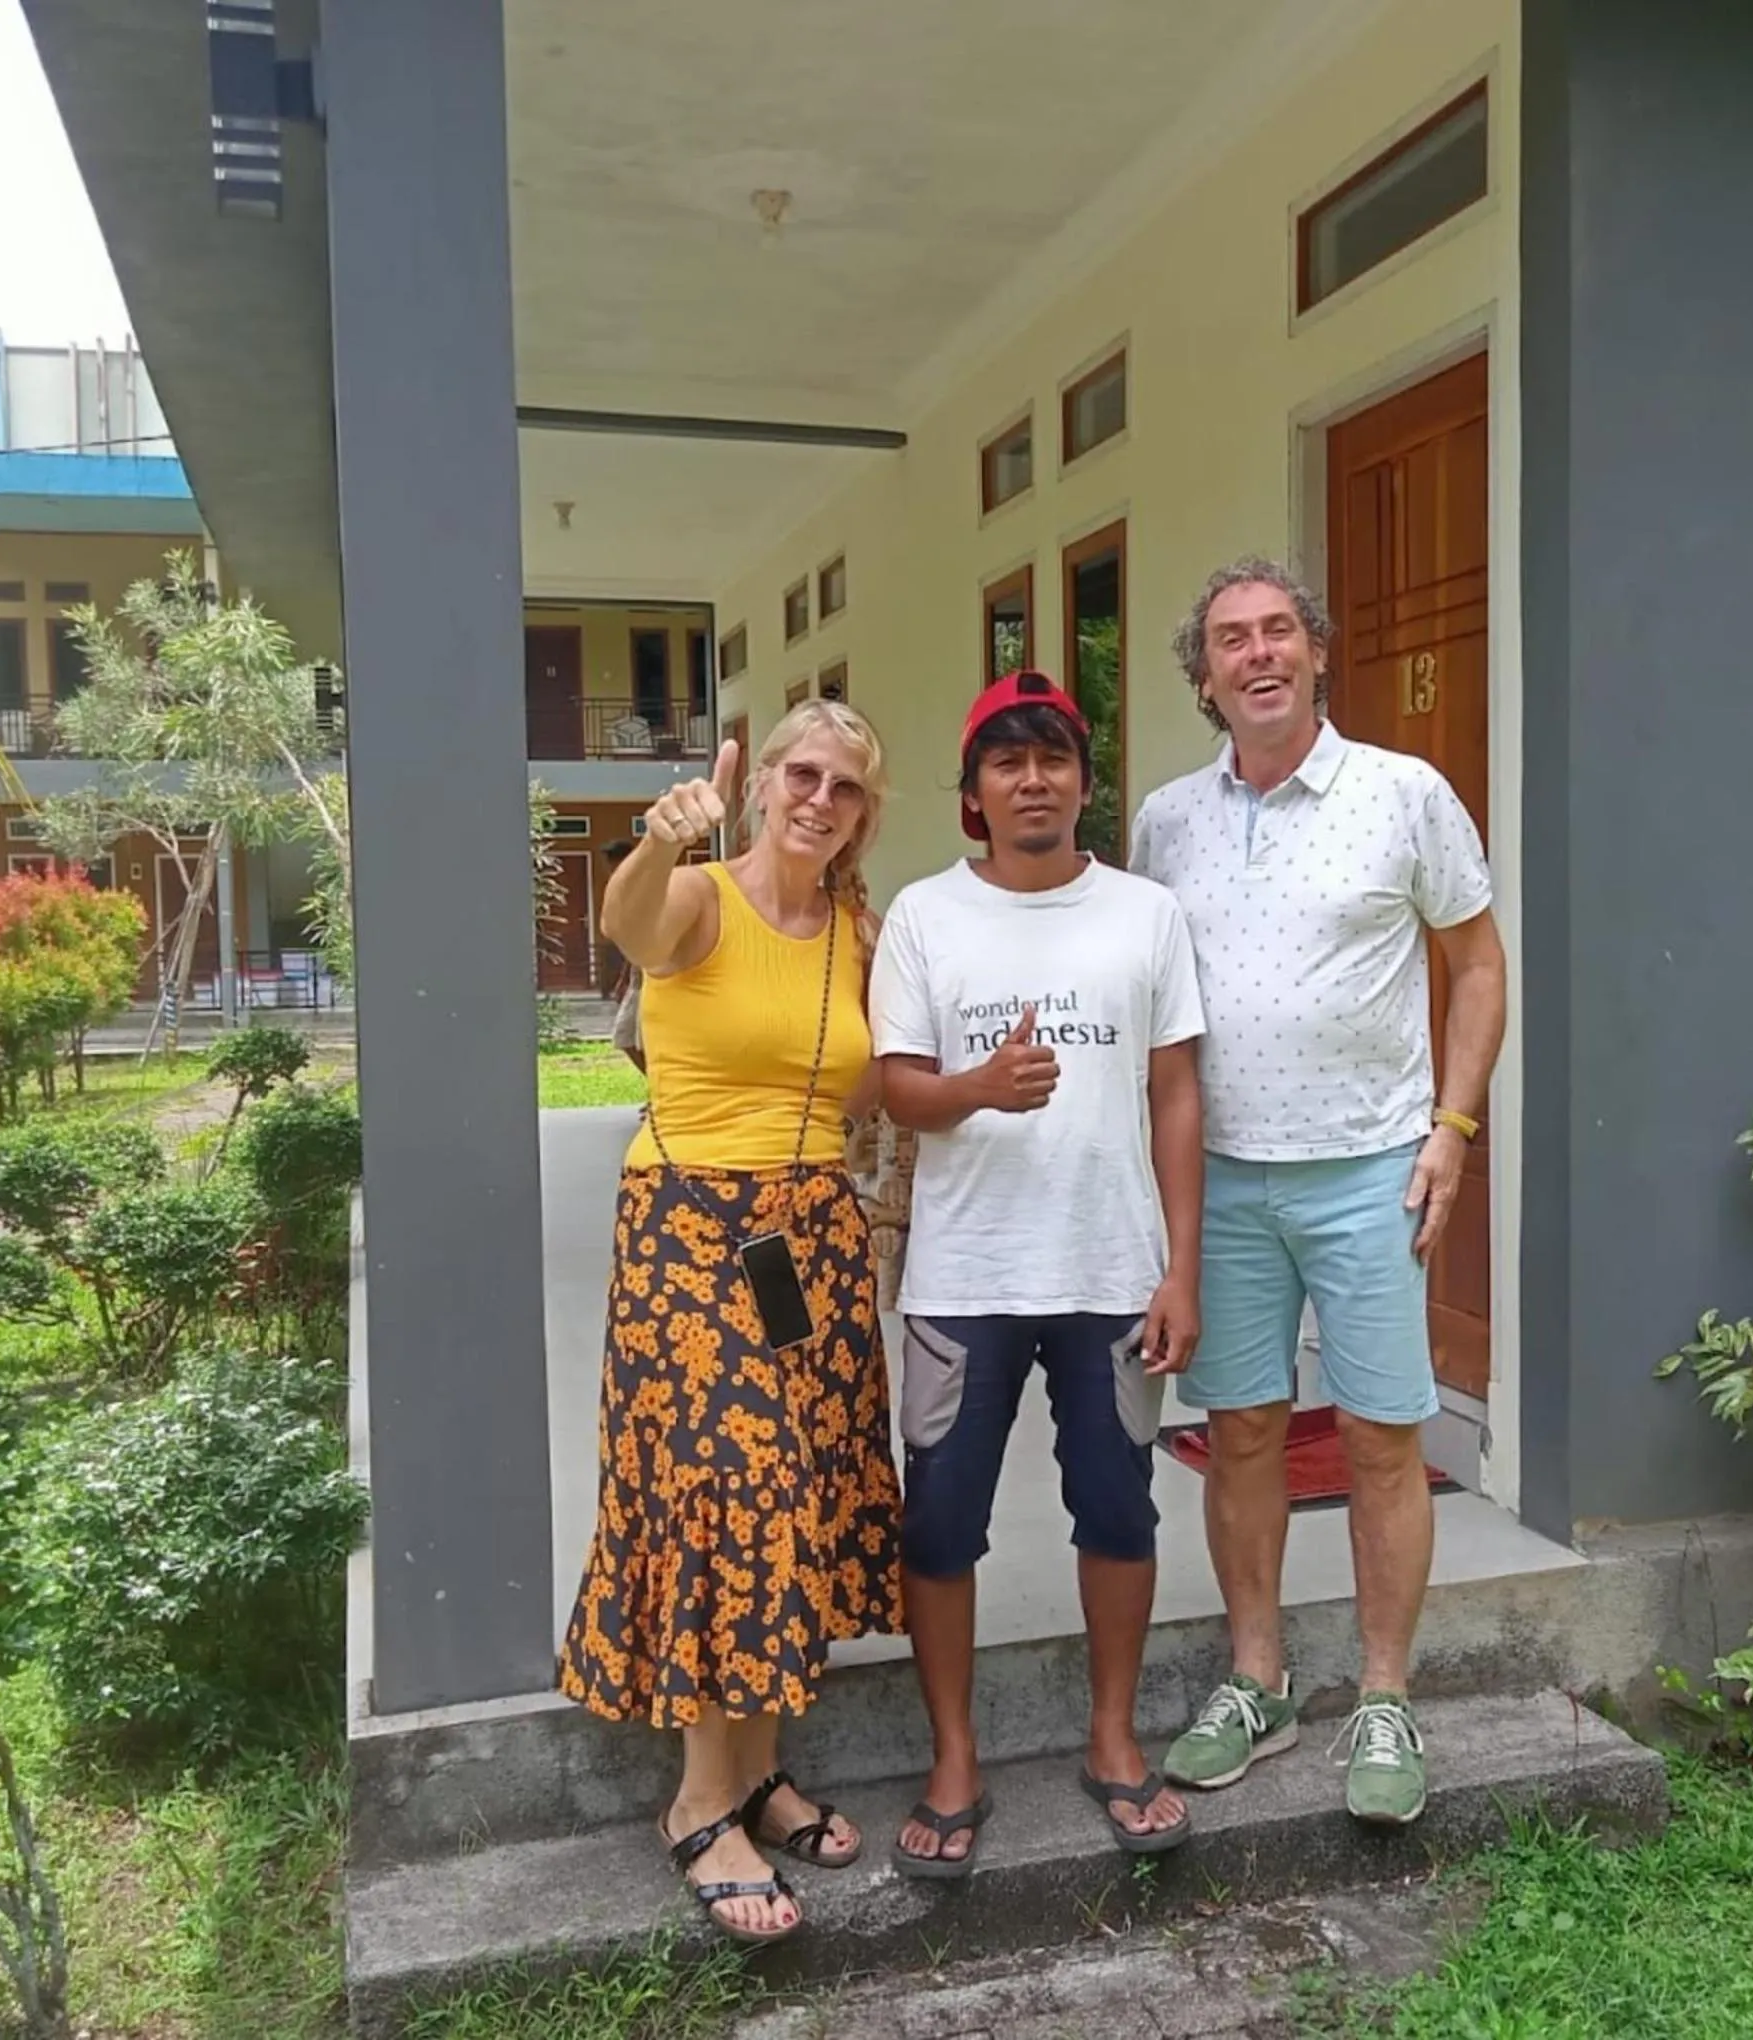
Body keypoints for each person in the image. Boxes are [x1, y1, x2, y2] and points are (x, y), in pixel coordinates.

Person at [1129, 559, 1507, 1827]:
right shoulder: (1166, 821)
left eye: (1278, 629)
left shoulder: (1406, 795)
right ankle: (1258, 1678)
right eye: (1230, 639)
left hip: (1371, 1173)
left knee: (1384, 1437)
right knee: (1239, 1429)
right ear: (1205, 677)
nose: (1258, 655)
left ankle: (1386, 1695)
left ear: (1319, 651)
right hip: (1223, 1183)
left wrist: (1453, 1127)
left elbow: (1478, 963)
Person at [558, 702, 904, 1945]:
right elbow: (630, 926)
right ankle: (698, 1803)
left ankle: (757, 1775)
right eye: (800, 775)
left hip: (808, 1234)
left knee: (796, 1486)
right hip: (690, 1224)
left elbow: (875, 1078)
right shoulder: (700, 895)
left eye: (846, 787)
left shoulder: (856, 931)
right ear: (760, 788)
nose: (818, 798)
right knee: (731, 1485)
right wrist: (656, 841)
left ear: (866, 812)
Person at [870, 669, 1205, 1875]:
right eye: (1006, 763)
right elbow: (896, 1084)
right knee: (942, 1522)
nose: (1032, 780)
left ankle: (1113, 1739)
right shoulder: (923, 916)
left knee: (1118, 1507)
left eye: (1052, 758)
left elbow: (1175, 1091)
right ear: (973, 795)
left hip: (1113, 1270)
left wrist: (1182, 1267)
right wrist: (976, 1091)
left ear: (1080, 781)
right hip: (964, 1280)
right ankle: (954, 1752)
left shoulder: (1145, 914)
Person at [601, 838, 646, 1073]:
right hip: (638, 972)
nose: (612, 870)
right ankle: (657, 1089)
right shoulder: (622, 890)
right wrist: (625, 976)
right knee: (627, 1037)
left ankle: (660, 1092)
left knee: (640, 1039)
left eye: (616, 864)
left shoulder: (645, 887)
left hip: (652, 972)